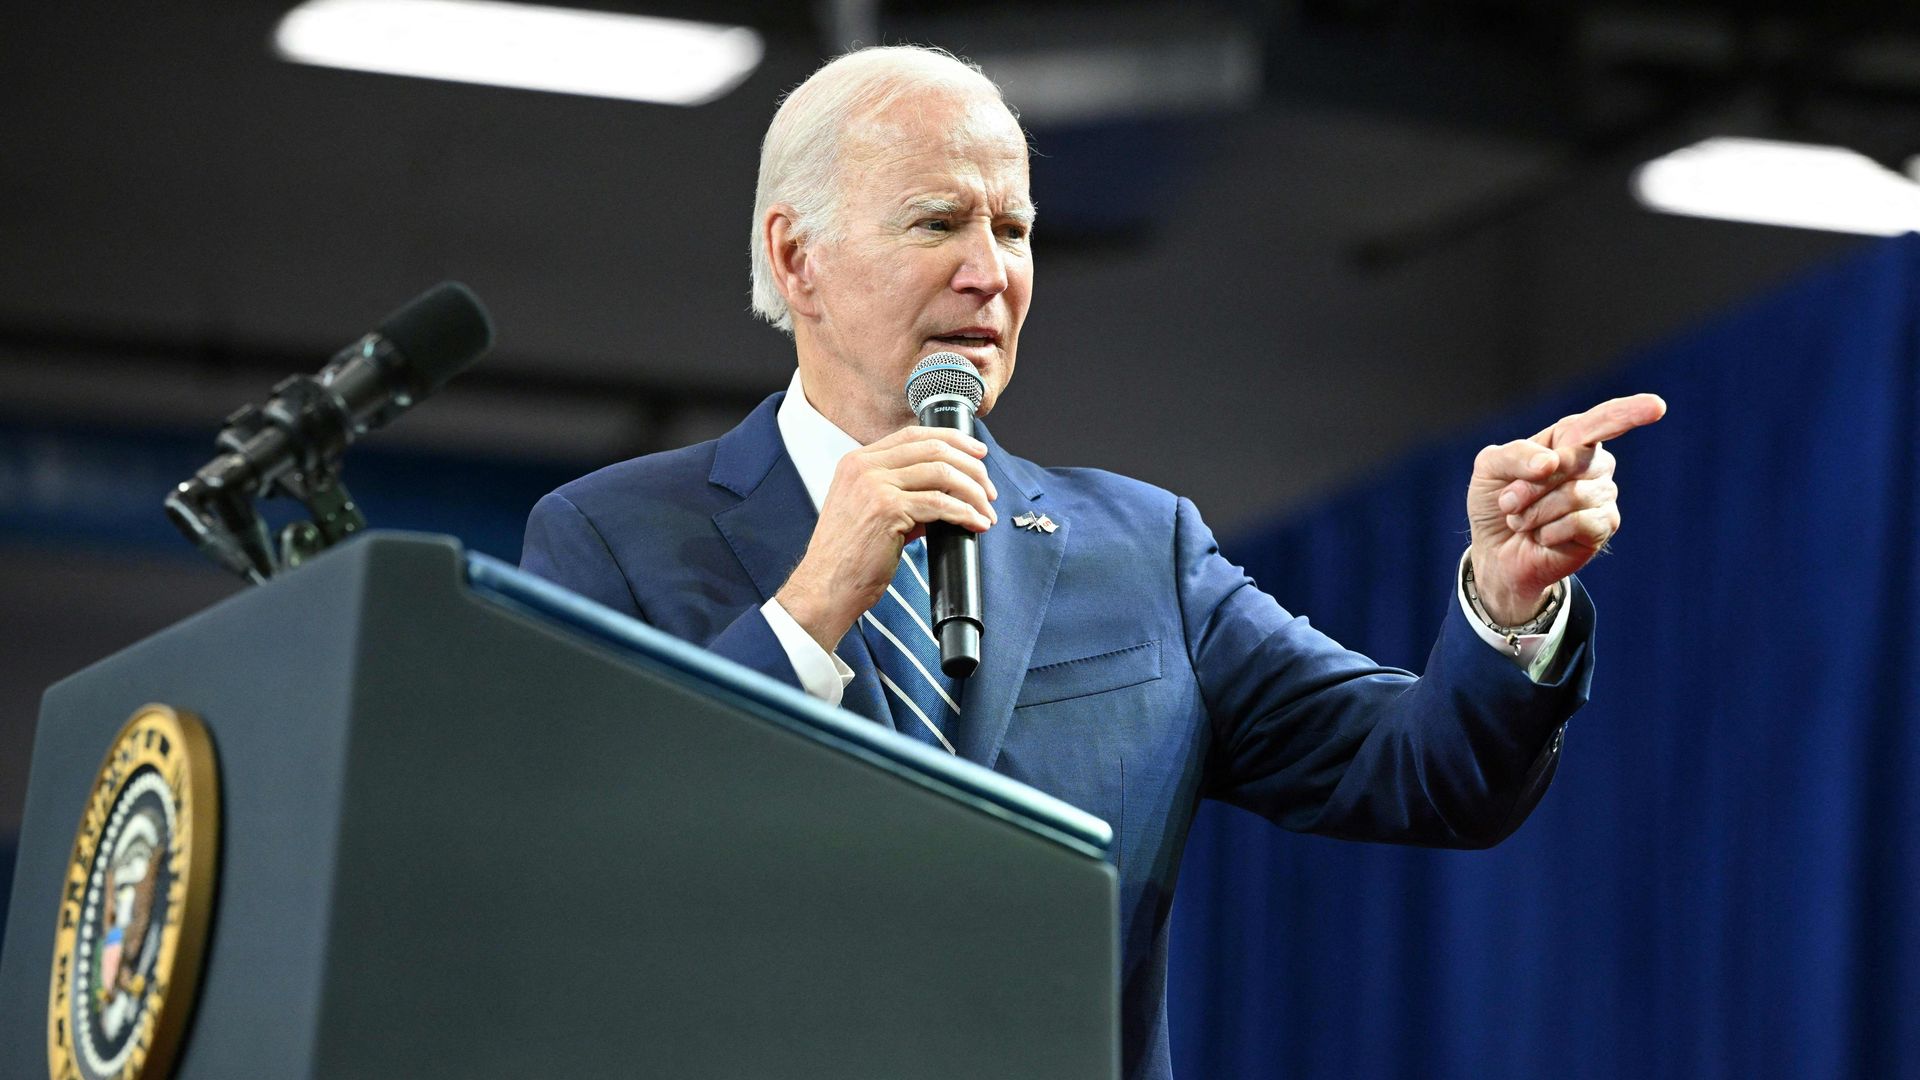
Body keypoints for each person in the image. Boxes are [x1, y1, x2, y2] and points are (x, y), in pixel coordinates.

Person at [520, 45, 1664, 1080]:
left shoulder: (1142, 551)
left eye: (1012, 230)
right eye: (936, 224)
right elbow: (574, 893)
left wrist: (1509, 606)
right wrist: (812, 609)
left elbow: (1426, 771)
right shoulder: (613, 538)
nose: (992, 274)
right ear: (798, 256)